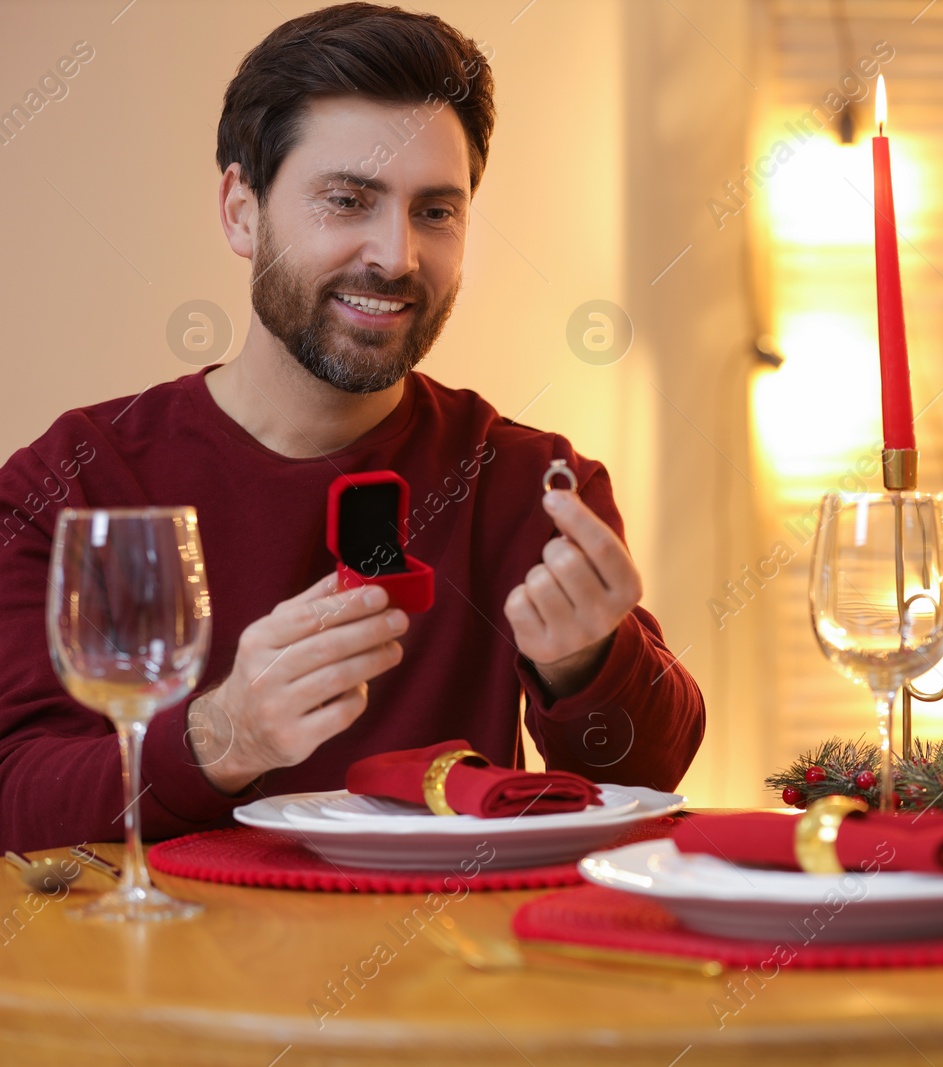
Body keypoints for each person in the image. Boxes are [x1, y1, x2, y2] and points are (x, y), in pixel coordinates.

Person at [0, 3, 704, 853]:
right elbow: (15, 797)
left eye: (436, 212)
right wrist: (223, 734)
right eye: (347, 200)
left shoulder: (531, 484)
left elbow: (652, 772)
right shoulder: (74, 481)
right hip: (166, 976)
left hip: (447, 972)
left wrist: (586, 664)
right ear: (240, 210)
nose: (396, 255)